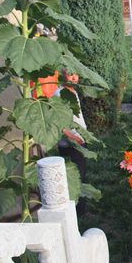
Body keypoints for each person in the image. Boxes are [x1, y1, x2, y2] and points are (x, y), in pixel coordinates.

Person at [53, 69, 88, 214]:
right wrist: (71, 137)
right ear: (62, 74)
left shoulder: (72, 91)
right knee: (75, 176)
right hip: (70, 144)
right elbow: (57, 121)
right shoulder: (58, 94)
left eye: (76, 74)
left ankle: (81, 208)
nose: (74, 77)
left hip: (79, 140)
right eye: (70, 74)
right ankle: (77, 210)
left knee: (82, 173)